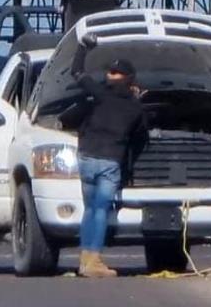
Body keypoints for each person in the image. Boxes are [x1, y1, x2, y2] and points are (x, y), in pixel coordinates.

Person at [69, 33, 145, 278]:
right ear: (131, 80)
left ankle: (84, 260)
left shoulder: (99, 94)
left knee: (89, 209)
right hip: (110, 161)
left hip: (87, 156)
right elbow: (141, 138)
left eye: (112, 73)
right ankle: (94, 261)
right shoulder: (135, 106)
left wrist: (83, 47)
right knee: (101, 209)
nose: (108, 75)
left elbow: (77, 72)